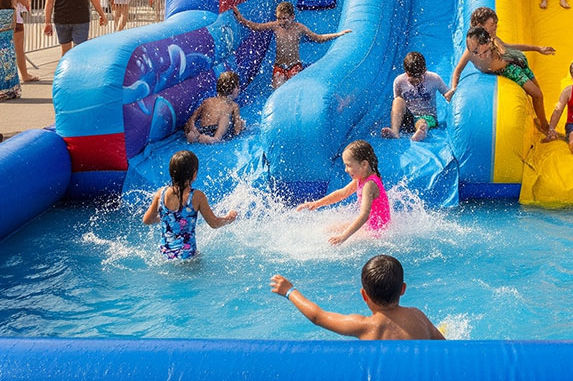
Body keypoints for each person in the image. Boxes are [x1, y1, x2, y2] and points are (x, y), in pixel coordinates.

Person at [270, 255, 444, 340]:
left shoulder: (365, 326)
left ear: (363, 295)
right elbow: (445, 346)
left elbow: (318, 316)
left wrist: (289, 291)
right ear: (403, 289)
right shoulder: (418, 316)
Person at [448, 25, 550, 132]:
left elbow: (513, 48)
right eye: (476, 53)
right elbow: (458, 70)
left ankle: (544, 126)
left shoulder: (496, 46)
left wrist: (537, 48)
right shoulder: (470, 53)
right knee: (538, 94)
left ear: (489, 43)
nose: (481, 56)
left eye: (485, 52)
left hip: (510, 68)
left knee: (538, 94)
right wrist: (454, 88)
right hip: (500, 68)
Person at [141, 149, 238, 259]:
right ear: (194, 174)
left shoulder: (161, 193)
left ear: (171, 173)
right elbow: (214, 223)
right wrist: (229, 218)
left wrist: (164, 218)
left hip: (165, 255)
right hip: (188, 256)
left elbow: (147, 220)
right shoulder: (197, 196)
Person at [233, 2, 350, 89]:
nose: (281, 21)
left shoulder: (299, 28)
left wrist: (338, 34)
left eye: (284, 18)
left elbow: (318, 38)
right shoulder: (275, 26)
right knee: (277, 91)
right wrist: (240, 18)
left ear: (292, 17)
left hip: (295, 66)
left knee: (293, 89)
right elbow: (256, 26)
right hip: (279, 66)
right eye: (279, 18)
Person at [296, 140, 390, 245]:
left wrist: (343, 236)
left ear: (364, 164)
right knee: (328, 229)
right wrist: (316, 203)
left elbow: (364, 215)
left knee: (331, 242)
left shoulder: (369, 185)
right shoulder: (361, 179)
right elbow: (342, 194)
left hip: (375, 233)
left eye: (348, 165)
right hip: (368, 227)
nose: (346, 170)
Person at [381, 50, 449, 141]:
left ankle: (421, 131)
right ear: (406, 72)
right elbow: (398, 107)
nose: (416, 81)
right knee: (397, 100)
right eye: (412, 79)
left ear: (425, 70)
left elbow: (447, 94)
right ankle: (395, 131)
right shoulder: (399, 81)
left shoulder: (434, 79)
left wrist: (451, 93)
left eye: (419, 77)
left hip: (428, 116)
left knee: (422, 122)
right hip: (408, 118)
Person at [184, 71, 246, 144]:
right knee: (225, 117)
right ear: (231, 88)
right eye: (237, 87)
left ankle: (195, 136)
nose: (239, 89)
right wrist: (242, 126)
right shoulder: (234, 105)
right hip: (217, 131)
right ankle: (216, 138)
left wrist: (193, 129)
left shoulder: (207, 101)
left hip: (203, 131)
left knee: (190, 126)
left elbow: (192, 119)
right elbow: (237, 131)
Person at [1, 0, 36, 83]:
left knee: (8, 48)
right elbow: (23, 0)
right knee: (19, 48)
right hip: (15, 17)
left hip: (6, 15)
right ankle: (24, 74)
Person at [0, 0, 21, 101]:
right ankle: (11, 90)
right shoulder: (12, 11)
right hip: (8, 43)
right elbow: (13, 28)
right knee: (10, 68)